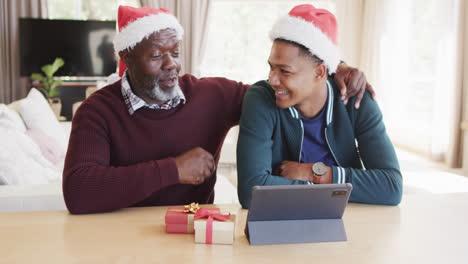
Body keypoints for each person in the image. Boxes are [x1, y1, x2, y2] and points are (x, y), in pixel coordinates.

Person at [63, 5, 373, 214]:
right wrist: (172, 169)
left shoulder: (212, 95)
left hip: (191, 233)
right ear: (127, 56)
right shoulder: (96, 111)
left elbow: (282, 89)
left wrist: (334, 68)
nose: (171, 64)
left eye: (175, 52)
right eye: (157, 54)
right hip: (115, 235)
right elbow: (79, 191)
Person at [237, 4, 402, 208]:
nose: (272, 80)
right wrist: (343, 187)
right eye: (271, 68)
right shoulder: (260, 99)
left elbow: (391, 187)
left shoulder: (356, 101)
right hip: (286, 220)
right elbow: (251, 191)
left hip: (352, 219)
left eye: (284, 71)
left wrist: (315, 173)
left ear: (319, 73)